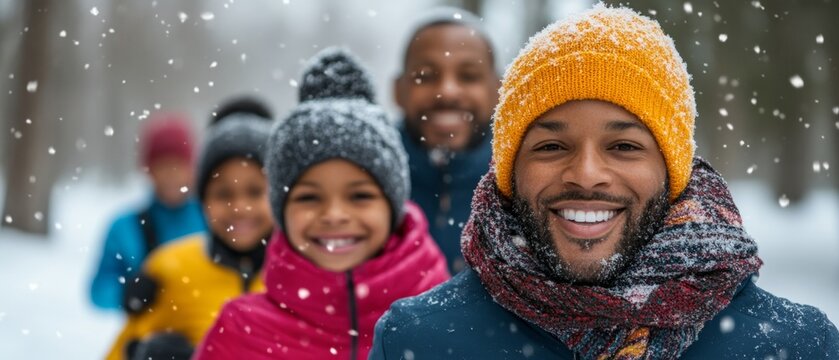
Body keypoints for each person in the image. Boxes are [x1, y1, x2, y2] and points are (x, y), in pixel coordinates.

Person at [371, 5, 839, 359]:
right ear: (510, 170)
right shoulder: (420, 340)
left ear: (673, 170)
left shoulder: (795, 345)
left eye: (624, 147)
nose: (587, 175)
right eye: (552, 147)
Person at [194, 48, 450, 360]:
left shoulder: (450, 318)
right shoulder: (240, 331)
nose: (334, 215)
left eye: (359, 196)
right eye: (309, 197)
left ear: (393, 205)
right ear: (281, 210)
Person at [104, 112, 274, 360]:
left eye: (255, 191)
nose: (239, 207)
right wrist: (140, 352)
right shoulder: (167, 266)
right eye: (224, 194)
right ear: (203, 199)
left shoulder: (308, 276)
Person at [393, 7, 500, 273]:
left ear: (498, 90)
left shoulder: (525, 182)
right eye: (426, 76)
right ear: (398, 91)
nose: (446, 91)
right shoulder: (365, 180)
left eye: (468, 76)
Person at [90, 113, 206, 310]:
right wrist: (128, 292)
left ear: (192, 169)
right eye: (163, 165)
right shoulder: (124, 227)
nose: (171, 174)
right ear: (148, 170)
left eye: (178, 165)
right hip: (146, 336)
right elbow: (98, 292)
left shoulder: (213, 219)